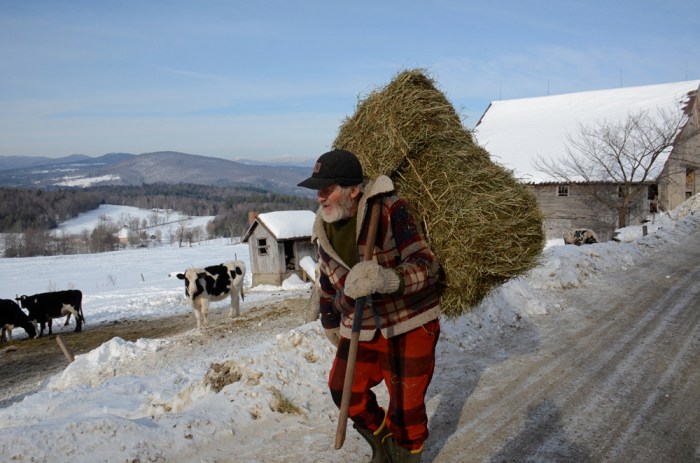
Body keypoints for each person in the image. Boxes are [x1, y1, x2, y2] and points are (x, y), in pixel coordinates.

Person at [298, 149, 441, 463]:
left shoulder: (389, 210)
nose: (320, 197)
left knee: (406, 411)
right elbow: (326, 281)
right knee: (344, 391)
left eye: (327, 189)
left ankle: (403, 453)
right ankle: (383, 445)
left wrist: (386, 279)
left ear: (353, 190)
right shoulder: (324, 229)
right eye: (318, 191)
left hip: (408, 320)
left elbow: (427, 266)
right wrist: (329, 320)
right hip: (360, 324)